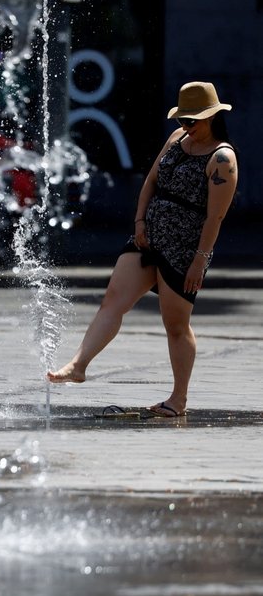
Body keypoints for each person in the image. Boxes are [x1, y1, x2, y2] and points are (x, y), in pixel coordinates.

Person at [47, 81, 239, 417]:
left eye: (193, 121)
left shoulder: (223, 158)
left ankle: (178, 399)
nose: (186, 127)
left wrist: (200, 261)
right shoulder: (177, 140)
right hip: (147, 237)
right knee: (113, 300)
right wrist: (139, 224)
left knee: (175, 325)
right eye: (183, 120)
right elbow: (151, 181)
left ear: (211, 117)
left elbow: (215, 217)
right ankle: (78, 365)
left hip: (184, 248)